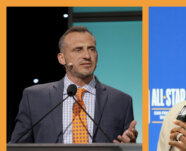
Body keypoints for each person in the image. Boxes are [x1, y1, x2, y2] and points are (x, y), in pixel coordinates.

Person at [10, 26, 138, 143]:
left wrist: (129, 148)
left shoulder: (121, 101)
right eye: (78, 50)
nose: (87, 56)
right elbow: (17, 149)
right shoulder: (34, 98)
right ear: (62, 58)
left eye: (91, 49)